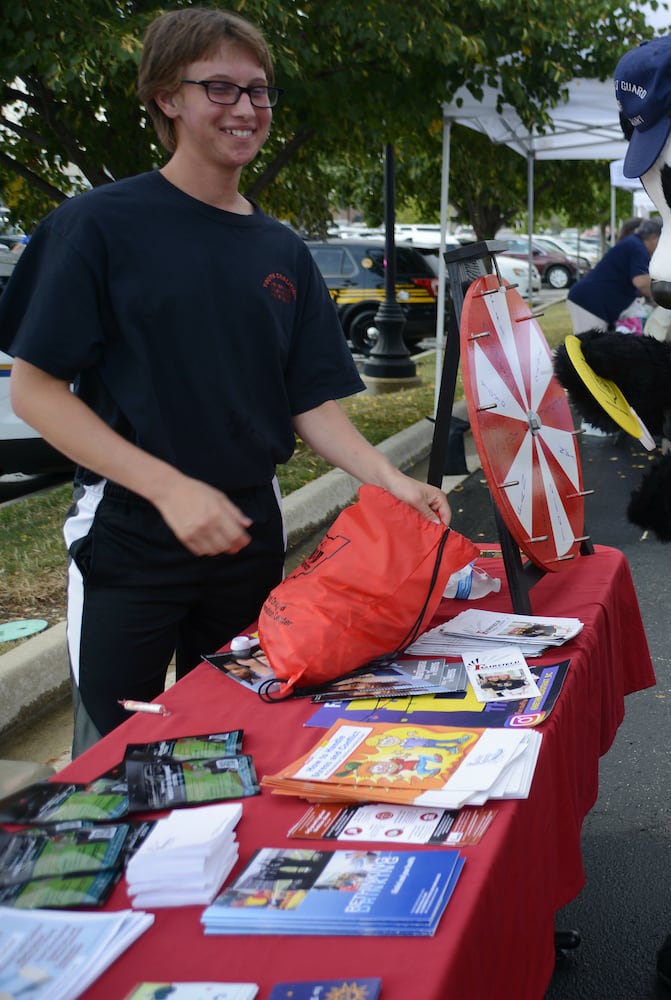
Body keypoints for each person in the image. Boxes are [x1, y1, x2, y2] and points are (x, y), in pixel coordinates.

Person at [0, 7, 450, 757]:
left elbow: (310, 402)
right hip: (130, 532)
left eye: (259, 92)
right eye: (220, 88)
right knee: (121, 755)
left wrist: (388, 479)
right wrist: (169, 488)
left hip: (246, 530)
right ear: (165, 99)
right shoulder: (97, 225)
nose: (246, 109)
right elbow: (36, 392)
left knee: (232, 742)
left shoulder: (280, 248)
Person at [566, 218, 661, 334]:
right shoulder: (637, 247)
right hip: (589, 303)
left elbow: (641, 287)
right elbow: (640, 281)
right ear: (654, 237)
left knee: (596, 347)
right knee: (589, 348)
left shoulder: (634, 244)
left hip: (591, 301)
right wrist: (665, 283)